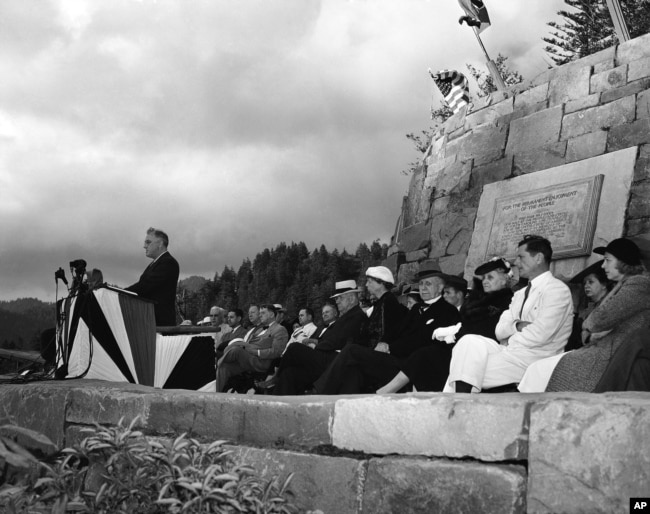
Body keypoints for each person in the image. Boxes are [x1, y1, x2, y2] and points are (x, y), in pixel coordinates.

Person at [443, 235, 573, 393]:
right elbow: (499, 331)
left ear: (538, 258)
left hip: (534, 357)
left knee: (464, 370)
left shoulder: (557, 290)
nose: (517, 263)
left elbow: (541, 334)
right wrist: (517, 326)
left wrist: (510, 335)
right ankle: (459, 405)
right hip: (509, 351)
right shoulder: (520, 294)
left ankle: (456, 408)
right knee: (468, 342)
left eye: (521, 257)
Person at [519, 238, 650, 392]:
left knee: (541, 369)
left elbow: (598, 319)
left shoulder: (638, 285)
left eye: (608, 260)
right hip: (605, 349)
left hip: (613, 352)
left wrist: (587, 327)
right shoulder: (626, 285)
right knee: (538, 369)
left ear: (623, 261)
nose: (603, 265)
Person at [315, 262, 460, 394]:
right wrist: (384, 342)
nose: (423, 288)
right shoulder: (416, 309)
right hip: (395, 359)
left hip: (411, 365)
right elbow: (396, 330)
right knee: (354, 364)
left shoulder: (448, 311)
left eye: (428, 284)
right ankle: (349, 407)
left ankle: (319, 393)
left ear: (441, 287)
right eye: (421, 284)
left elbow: (424, 339)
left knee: (351, 351)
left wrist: (390, 348)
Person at [378, 258, 513, 393]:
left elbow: (491, 330)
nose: (485, 281)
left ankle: (386, 392)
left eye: (490, 277)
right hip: (457, 346)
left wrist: (454, 334)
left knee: (426, 354)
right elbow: (399, 329)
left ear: (504, 279)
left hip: (481, 349)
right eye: (483, 278)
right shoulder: (477, 302)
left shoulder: (508, 301)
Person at [271, 282, 369, 395]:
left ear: (352, 298)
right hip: (329, 357)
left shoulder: (356, 316)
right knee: (289, 373)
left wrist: (316, 346)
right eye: (336, 299)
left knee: (294, 348)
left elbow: (337, 342)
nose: (337, 301)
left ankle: (275, 378)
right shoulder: (347, 317)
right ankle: (278, 403)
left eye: (340, 298)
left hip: (337, 360)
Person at [215, 304, 288, 392]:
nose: (260, 315)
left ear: (272, 314)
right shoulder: (259, 329)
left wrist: (255, 352)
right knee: (224, 367)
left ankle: (216, 362)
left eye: (263, 313)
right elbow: (249, 343)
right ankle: (218, 395)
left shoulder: (280, 329)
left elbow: (276, 352)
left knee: (236, 350)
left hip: (261, 361)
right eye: (260, 313)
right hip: (247, 358)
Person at [126, 227, 180, 326]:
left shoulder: (168, 263)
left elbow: (145, 286)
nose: (144, 246)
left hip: (160, 323)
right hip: (150, 321)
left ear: (160, 244)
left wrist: (120, 292)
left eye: (148, 242)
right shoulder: (155, 263)